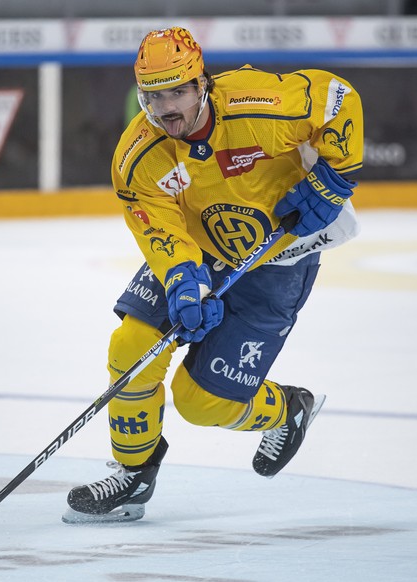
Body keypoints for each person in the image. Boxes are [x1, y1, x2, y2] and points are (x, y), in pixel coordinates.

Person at [63, 26, 363, 523]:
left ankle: (286, 409)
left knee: (200, 403)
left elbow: (337, 99)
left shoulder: (259, 105)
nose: (166, 109)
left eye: (177, 92)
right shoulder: (137, 157)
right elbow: (160, 231)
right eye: (153, 96)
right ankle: (133, 474)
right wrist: (184, 278)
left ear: (202, 83)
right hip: (201, 249)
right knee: (131, 347)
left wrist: (334, 177)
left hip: (278, 261)